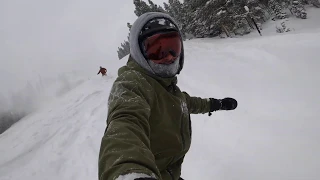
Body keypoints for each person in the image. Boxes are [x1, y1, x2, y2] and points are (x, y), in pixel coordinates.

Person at [98, 12, 238, 180]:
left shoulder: (168, 88)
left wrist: (217, 104)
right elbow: (125, 123)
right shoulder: (132, 82)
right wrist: (130, 173)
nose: (170, 57)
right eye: (157, 50)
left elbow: (187, 103)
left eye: (174, 47)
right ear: (139, 53)